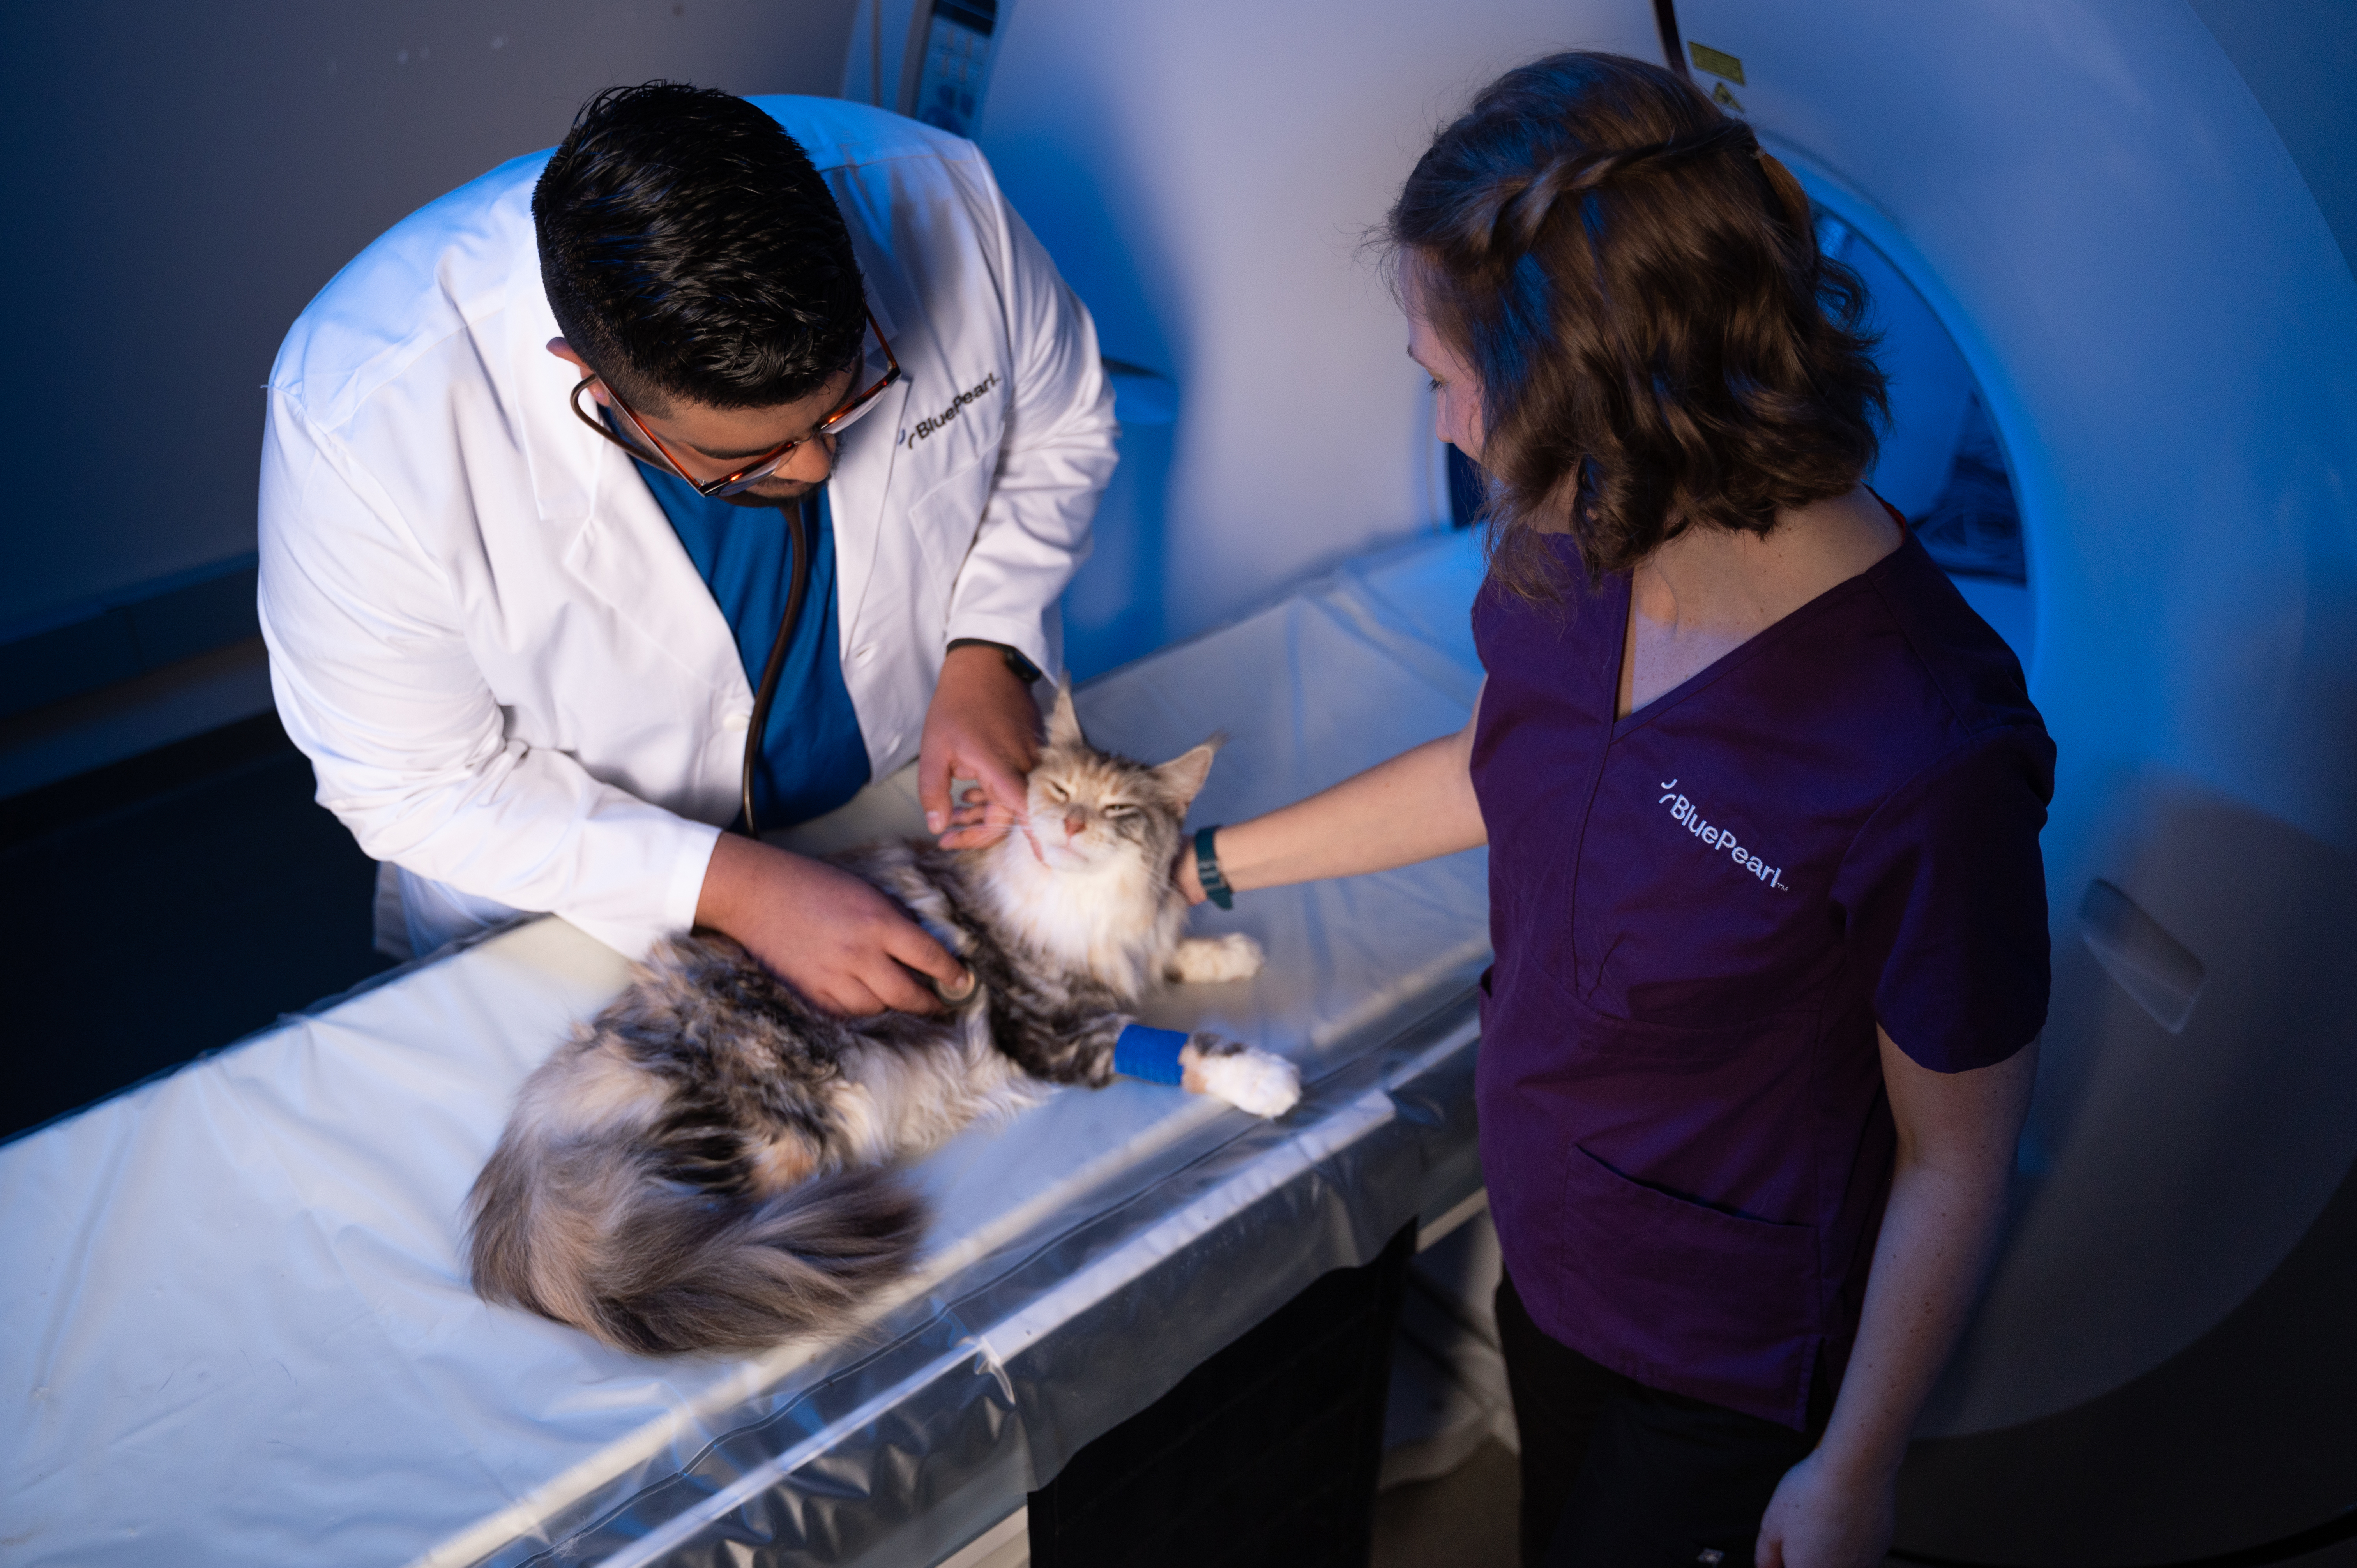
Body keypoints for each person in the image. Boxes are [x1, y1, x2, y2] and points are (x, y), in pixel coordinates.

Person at [1177, 54, 2050, 1568]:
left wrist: (1855, 1466)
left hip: (1729, 1351)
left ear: (1574, 388)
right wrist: (1199, 867)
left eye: (1443, 376)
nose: (1446, 422)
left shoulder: (1922, 747)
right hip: (1561, 1238)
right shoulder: (1574, 542)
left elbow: (1957, 1153)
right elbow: (1502, 764)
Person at [259, 84, 1116, 1015]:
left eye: (846, 404)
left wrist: (989, 651)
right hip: (584, 906)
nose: (821, 462)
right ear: (591, 384)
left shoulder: (940, 198)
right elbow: (411, 785)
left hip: (896, 797)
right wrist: (736, 889)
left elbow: (1060, 427)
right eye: (745, 456)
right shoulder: (364, 418)